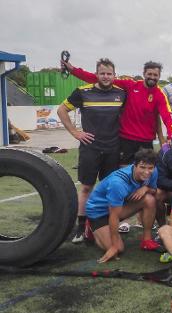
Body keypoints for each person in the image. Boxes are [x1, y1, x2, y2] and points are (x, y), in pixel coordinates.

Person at [57, 58, 126, 243]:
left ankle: (107, 224)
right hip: (90, 148)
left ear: (114, 75)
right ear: (96, 74)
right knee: (87, 187)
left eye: (109, 73)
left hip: (113, 148)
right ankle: (81, 227)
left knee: (110, 189)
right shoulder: (83, 92)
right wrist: (75, 133)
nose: (105, 76)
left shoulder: (121, 93)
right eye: (102, 73)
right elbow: (61, 110)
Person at [62, 59, 172, 164]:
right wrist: (73, 70)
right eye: (150, 74)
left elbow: (167, 117)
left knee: (144, 174)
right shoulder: (131, 85)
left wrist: (170, 136)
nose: (152, 77)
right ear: (144, 74)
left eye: (155, 75)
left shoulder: (159, 95)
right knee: (123, 174)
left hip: (146, 141)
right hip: (125, 140)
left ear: (159, 76)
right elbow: (97, 78)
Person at [85, 149, 160, 263]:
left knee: (149, 199)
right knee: (118, 248)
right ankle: (91, 227)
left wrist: (146, 188)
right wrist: (114, 246)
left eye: (150, 168)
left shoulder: (153, 172)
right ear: (134, 165)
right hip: (99, 212)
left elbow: (154, 190)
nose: (146, 172)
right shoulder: (118, 183)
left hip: (119, 207)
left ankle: (147, 240)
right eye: (142, 167)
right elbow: (114, 216)